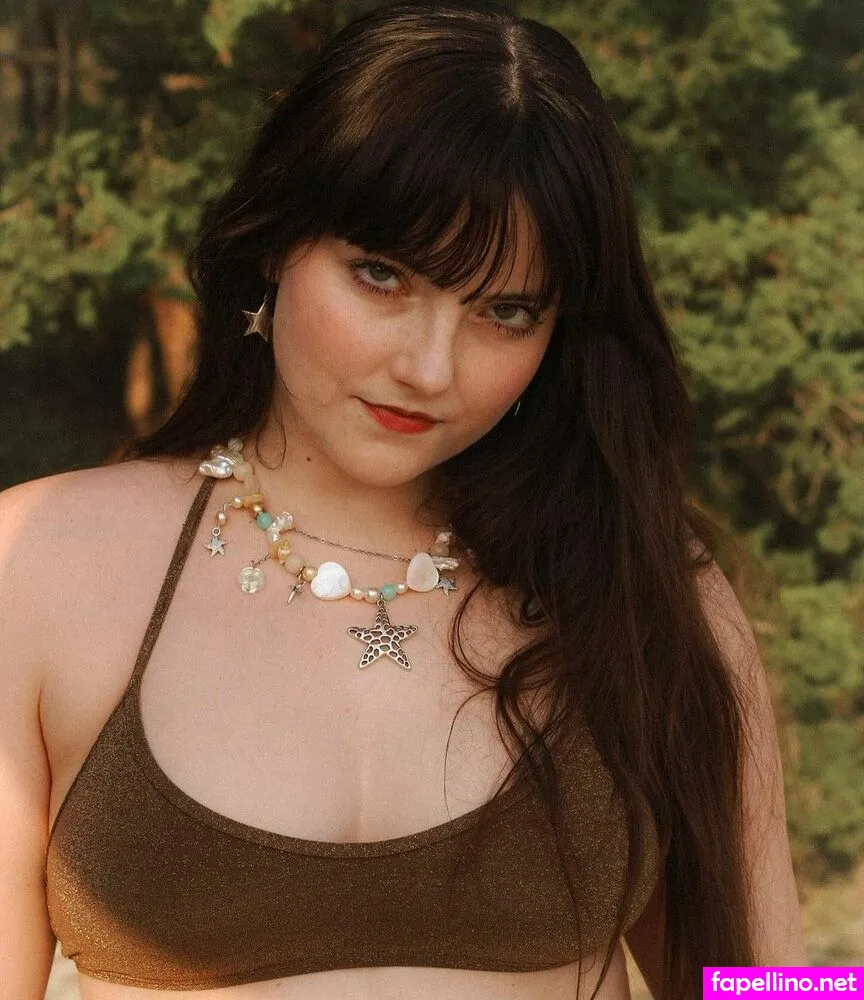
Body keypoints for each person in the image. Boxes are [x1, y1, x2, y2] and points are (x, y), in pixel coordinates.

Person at [0, 2, 806, 999]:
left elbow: (770, 983)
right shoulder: (38, 568)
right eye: (382, 275)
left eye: (505, 311)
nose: (430, 368)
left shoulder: (641, 583)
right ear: (275, 239)